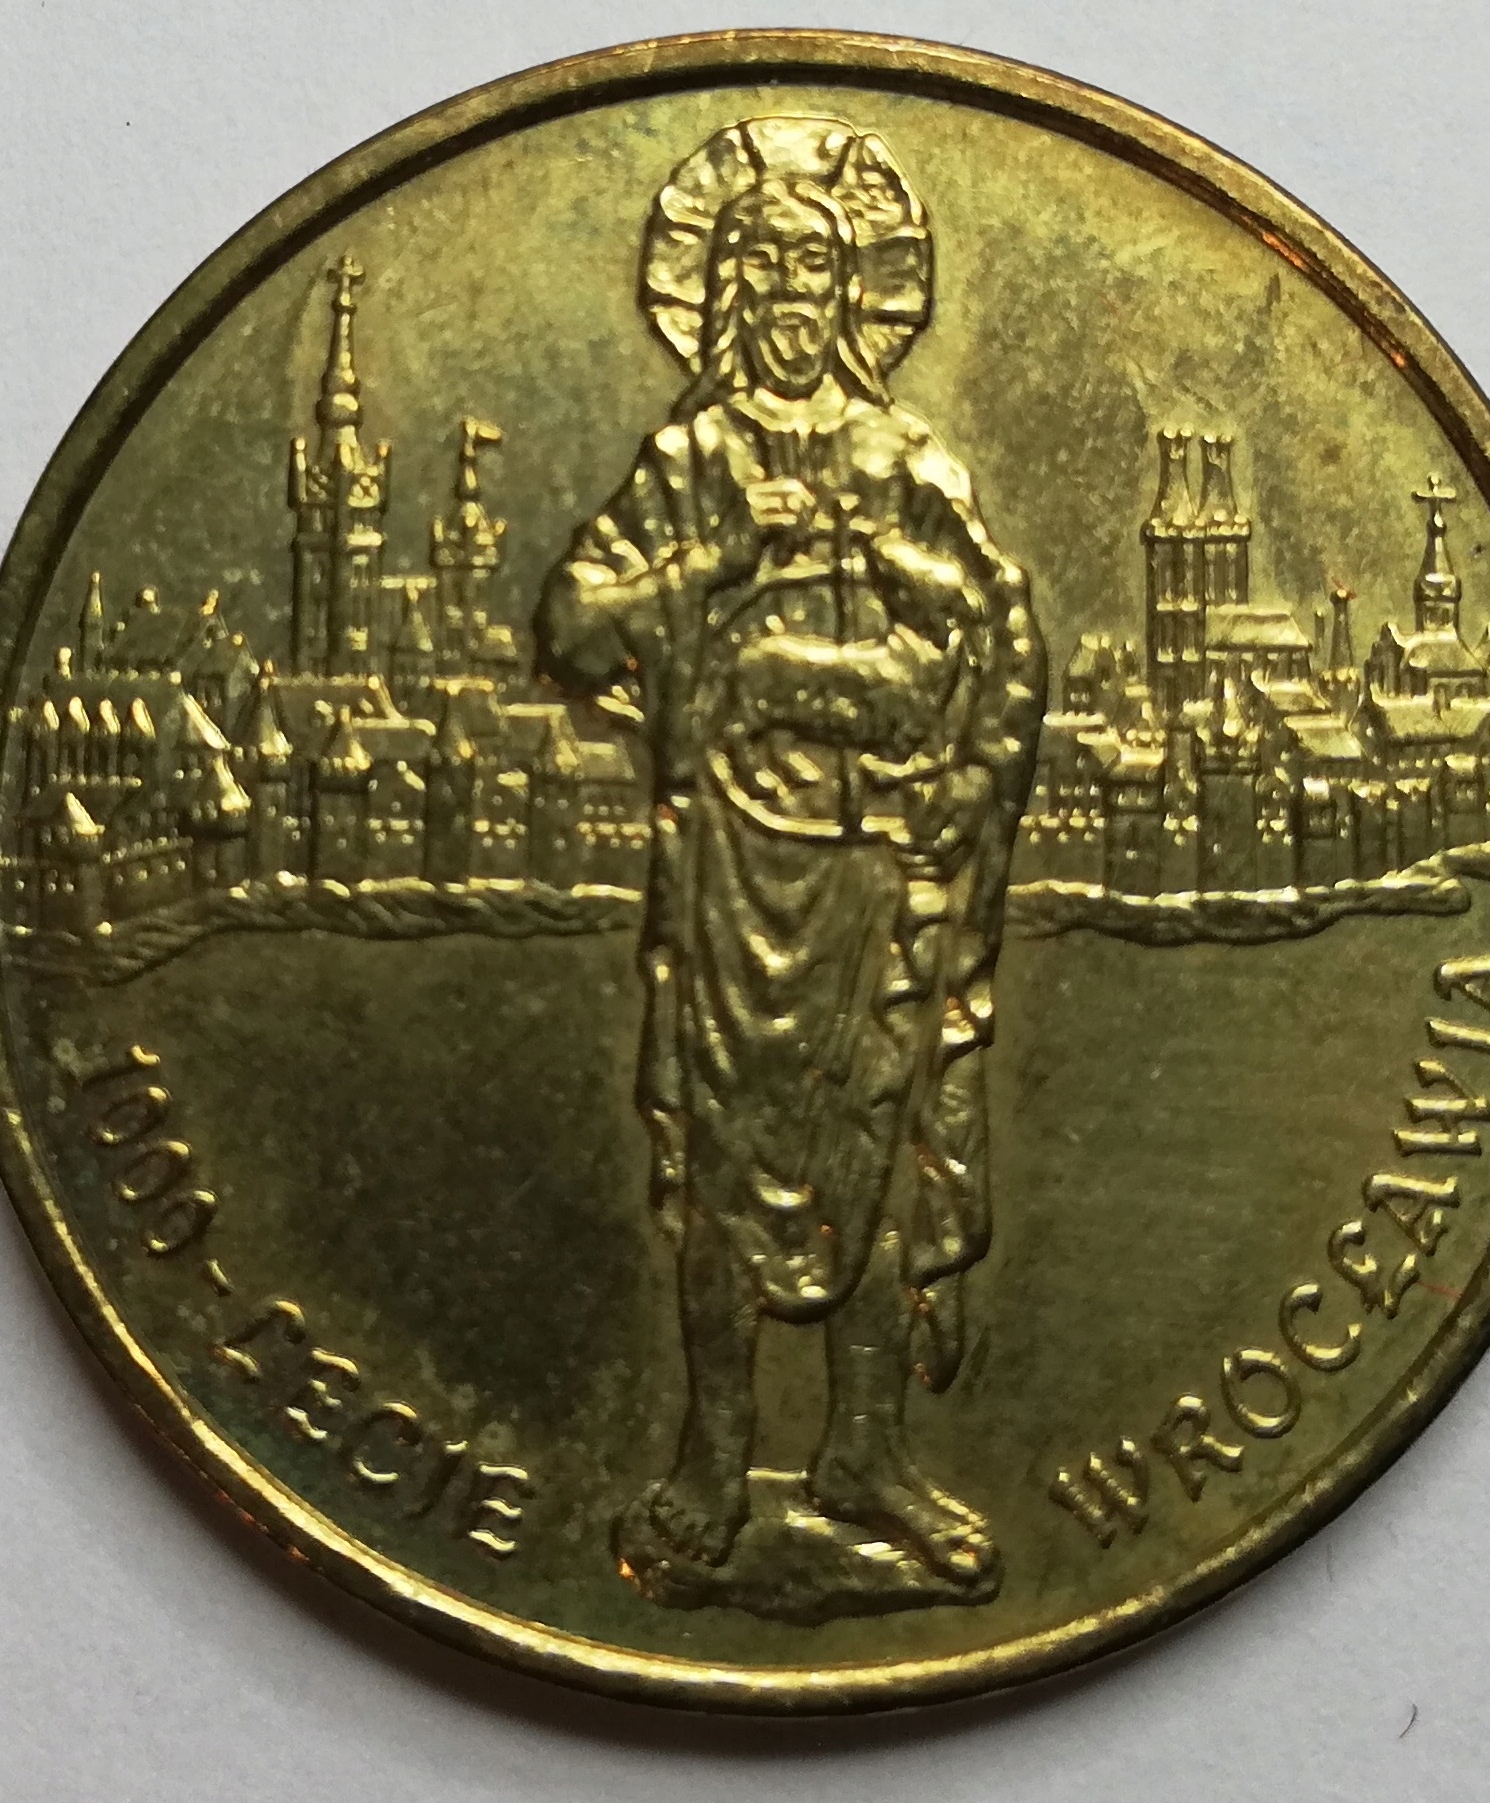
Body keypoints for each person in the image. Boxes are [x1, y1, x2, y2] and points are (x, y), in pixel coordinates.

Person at [535, 118, 1045, 1596]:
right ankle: (710, 1463)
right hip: (733, 865)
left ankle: (864, 1457)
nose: (786, 294)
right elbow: (571, 627)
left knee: (875, 1156)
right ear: (722, 291)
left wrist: (962, 767)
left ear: (852, 293)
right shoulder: (690, 460)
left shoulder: (905, 459)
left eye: (813, 267)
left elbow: (1005, 634)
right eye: (759, 266)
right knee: (723, 1165)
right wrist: (717, 556)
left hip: (878, 863)